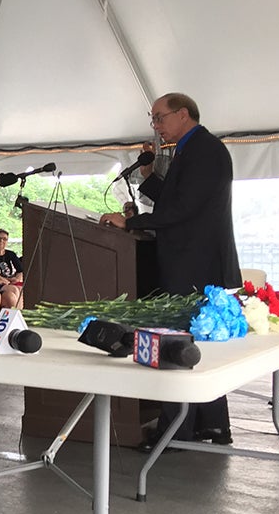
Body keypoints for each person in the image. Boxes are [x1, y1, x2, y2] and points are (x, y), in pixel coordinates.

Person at [101, 92, 241, 448]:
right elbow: (178, 202)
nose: (156, 126)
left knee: (177, 342)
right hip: (193, 259)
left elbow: (183, 210)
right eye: (153, 119)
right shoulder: (192, 149)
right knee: (192, 342)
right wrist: (148, 178)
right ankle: (210, 425)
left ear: (182, 114)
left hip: (194, 261)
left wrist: (131, 225)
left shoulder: (204, 150)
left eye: (159, 118)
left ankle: (175, 429)